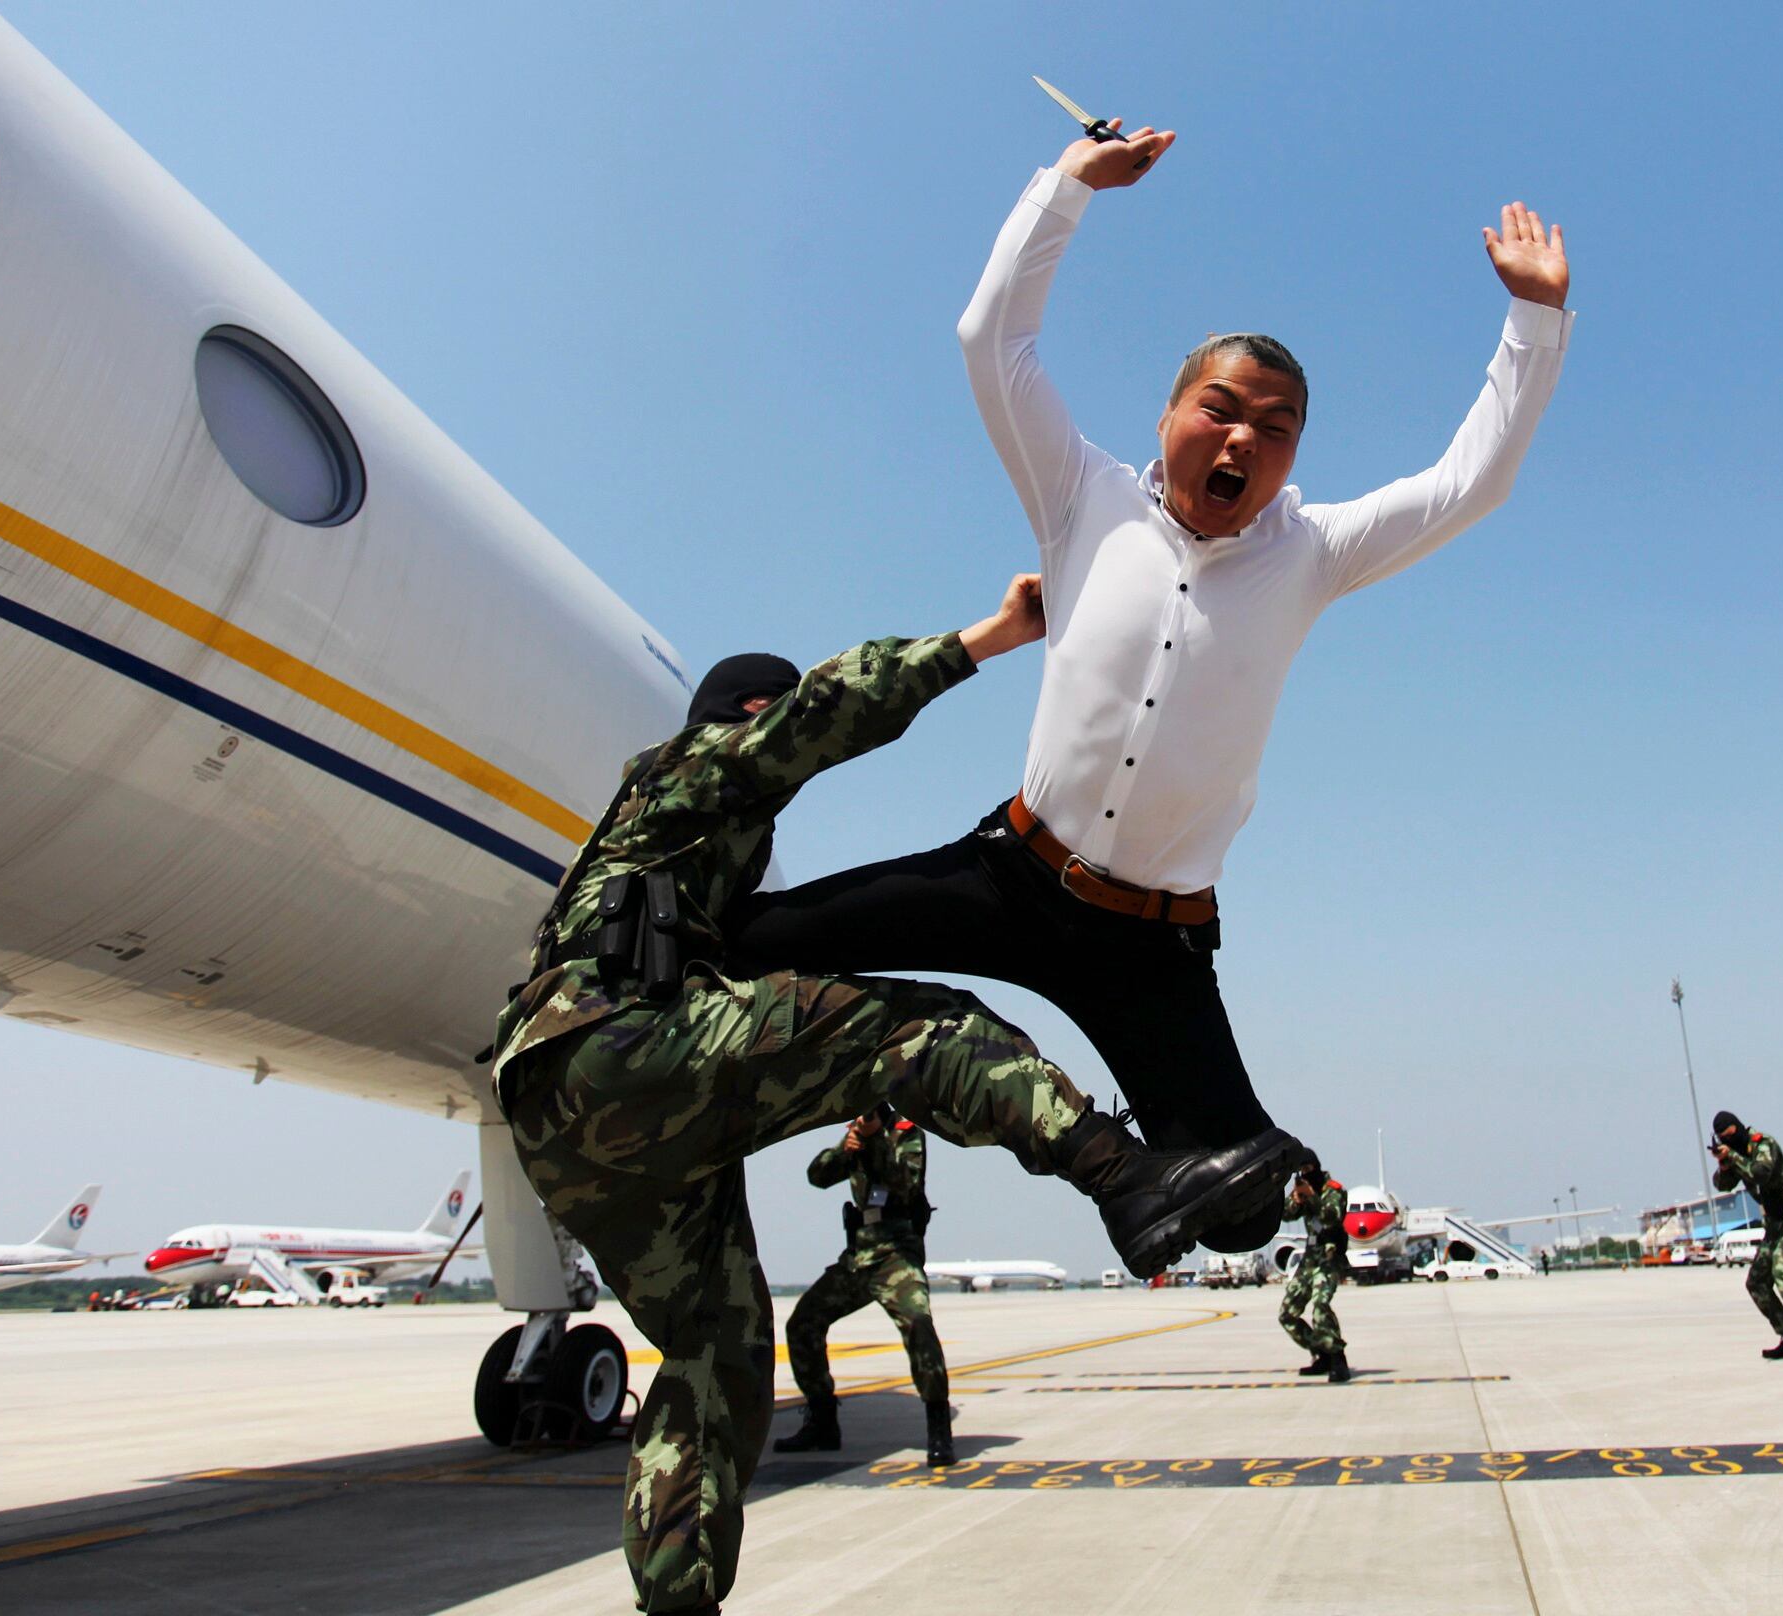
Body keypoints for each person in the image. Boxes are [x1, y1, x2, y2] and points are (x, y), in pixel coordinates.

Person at [728, 111, 1572, 1249]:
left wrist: (1533, 318)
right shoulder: (1083, 499)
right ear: (1167, 417)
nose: (1241, 441)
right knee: (753, 942)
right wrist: (1071, 182)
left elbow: (1471, 483)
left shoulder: (1313, 553)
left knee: (1239, 1211)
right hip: (1010, 874)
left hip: (1153, 944)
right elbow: (992, 340)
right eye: (1218, 410)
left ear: (1294, 457)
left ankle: (1132, 1174)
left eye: (1274, 429)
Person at [491, 575, 1305, 1616]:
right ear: (747, 714)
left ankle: (678, 1599)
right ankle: (1124, 1175)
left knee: (713, 1354)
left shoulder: (664, 849)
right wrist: (990, 637)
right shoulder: (691, 768)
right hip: (616, 1044)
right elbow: (828, 710)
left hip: (566, 1117)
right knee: (920, 1028)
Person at [775, 1103, 953, 1465]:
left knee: (919, 1323)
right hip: (858, 1258)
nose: (860, 1118)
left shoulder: (907, 1133)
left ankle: (939, 1429)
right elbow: (817, 1175)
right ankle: (822, 1423)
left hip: (896, 1256)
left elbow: (905, 1183)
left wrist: (874, 1142)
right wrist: (847, 1148)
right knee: (803, 1324)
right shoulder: (855, 1136)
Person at [1709, 1110, 1783, 1368]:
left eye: (1731, 1135)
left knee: (1782, 1271)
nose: (1730, 1141)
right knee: (1757, 1282)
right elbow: (1723, 1185)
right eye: (1724, 1139)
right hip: (1774, 1225)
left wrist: (1734, 1157)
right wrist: (1724, 1164)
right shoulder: (1737, 1154)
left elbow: (1760, 1172)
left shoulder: (1763, 1144)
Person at [1279, 1161, 1351, 1382]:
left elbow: (1331, 1217)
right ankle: (1322, 1353)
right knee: (1287, 1314)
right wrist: (1296, 1199)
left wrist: (1312, 1197)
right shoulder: (1304, 1190)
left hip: (1329, 1258)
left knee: (1321, 1306)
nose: (1306, 1174)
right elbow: (1285, 1214)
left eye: (1309, 1169)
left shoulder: (1334, 1190)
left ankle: (1337, 1359)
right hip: (1309, 1260)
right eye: (1302, 1170)